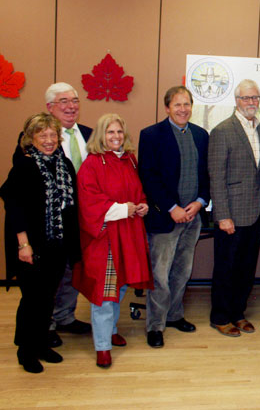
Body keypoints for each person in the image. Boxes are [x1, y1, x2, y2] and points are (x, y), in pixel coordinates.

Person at [12, 82, 92, 348]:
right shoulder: (28, 148)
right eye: (63, 101)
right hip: (41, 229)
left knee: (69, 271)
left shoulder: (89, 135)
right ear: (49, 107)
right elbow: (18, 198)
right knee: (41, 286)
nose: (71, 106)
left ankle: (64, 317)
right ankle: (43, 328)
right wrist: (24, 241)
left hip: (77, 222)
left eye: (75, 100)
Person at [1, 113, 80, 373]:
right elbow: (14, 207)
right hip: (31, 245)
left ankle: (43, 343)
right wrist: (23, 244)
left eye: (52, 135)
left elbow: (71, 207)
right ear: (31, 138)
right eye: (42, 135)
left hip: (56, 245)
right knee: (32, 300)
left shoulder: (64, 164)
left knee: (47, 298)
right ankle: (26, 351)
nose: (49, 140)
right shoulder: (24, 165)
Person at [72, 113, 153, 368]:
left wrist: (142, 205)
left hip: (128, 234)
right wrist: (123, 209)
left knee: (119, 288)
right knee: (105, 294)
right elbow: (89, 204)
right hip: (105, 237)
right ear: (100, 136)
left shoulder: (129, 160)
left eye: (119, 132)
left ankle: (110, 330)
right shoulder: (92, 164)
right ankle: (102, 347)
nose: (116, 137)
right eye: (110, 132)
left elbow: (138, 192)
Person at [138, 86, 210, 348]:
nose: (183, 109)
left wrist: (199, 203)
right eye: (177, 105)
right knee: (160, 274)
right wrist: (172, 207)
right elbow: (148, 177)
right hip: (164, 218)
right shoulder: (151, 135)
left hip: (193, 217)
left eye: (187, 104)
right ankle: (155, 325)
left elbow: (206, 175)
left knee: (182, 271)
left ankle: (174, 315)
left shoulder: (201, 135)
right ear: (167, 107)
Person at [208, 79, 260, 337]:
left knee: (246, 269)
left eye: (255, 98)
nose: (251, 102)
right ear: (236, 101)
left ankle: (238, 313)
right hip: (230, 216)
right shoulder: (223, 131)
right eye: (246, 98)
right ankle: (220, 316)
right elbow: (216, 177)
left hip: (254, 215)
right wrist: (222, 216)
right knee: (226, 268)